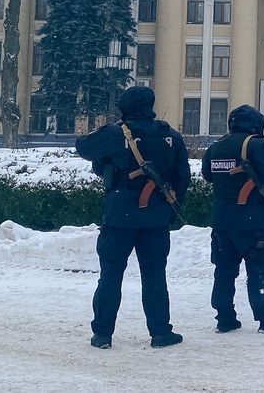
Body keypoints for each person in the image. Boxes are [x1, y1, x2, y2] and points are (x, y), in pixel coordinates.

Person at [74, 86, 189, 350]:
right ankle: (160, 332)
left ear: (124, 108)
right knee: (155, 276)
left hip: (119, 216)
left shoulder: (117, 134)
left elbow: (83, 147)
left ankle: (103, 334)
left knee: (111, 275)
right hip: (156, 218)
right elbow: (183, 178)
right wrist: (170, 209)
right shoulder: (170, 135)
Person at [201, 105, 264, 334]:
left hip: (222, 220)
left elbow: (207, 176)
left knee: (224, 270)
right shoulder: (255, 145)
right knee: (258, 269)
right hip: (252, 219)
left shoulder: (215, 147)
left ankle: (224, 317)